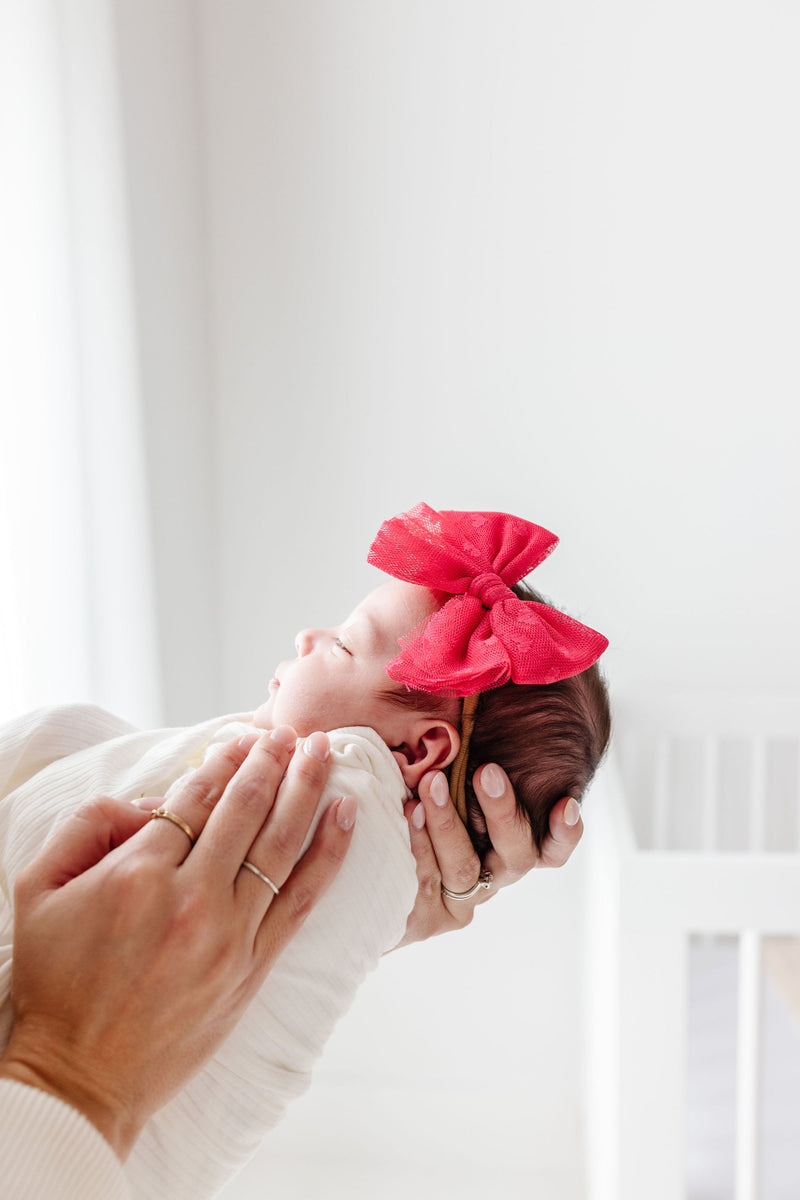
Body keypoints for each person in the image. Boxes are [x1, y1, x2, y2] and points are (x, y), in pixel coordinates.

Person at [0, 504, 605, 1199]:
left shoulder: (345, 796)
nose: (308, 637)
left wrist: (64, 1080)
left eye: (345, 645)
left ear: (416, 749)